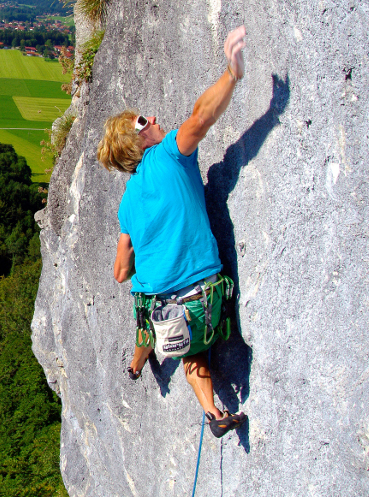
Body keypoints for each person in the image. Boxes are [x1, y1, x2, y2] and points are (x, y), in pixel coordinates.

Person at [96, 25, 249, 439]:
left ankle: (212, 410)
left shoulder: (127, 203)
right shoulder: (167, 156)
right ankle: (201, 402)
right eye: (144, 120)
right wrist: (231, 73)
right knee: (189, 337)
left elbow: (120, 271)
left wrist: (141, 258)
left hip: (174, 311)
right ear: (137, 139)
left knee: (184, 348)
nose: (155, 119)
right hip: (211, 295)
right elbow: (200, 118)